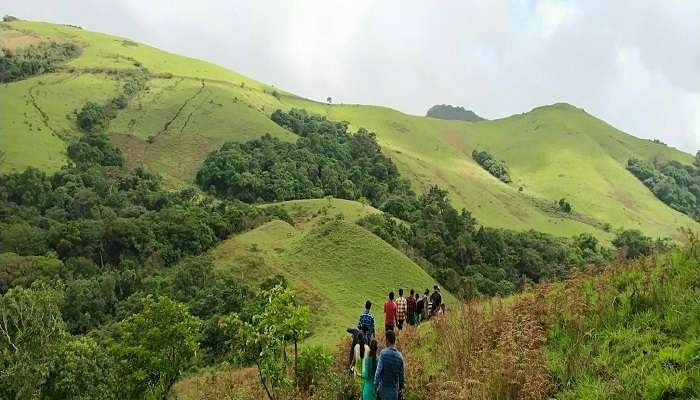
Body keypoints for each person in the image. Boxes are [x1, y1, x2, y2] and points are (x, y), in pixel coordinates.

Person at [374, 330, 404, 400]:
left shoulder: (383, 354)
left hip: (383, 392)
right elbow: (401, 378)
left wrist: (375, 386)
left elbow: (378, 372)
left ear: (387, 340)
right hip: (394, 394)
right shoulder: (400, 357)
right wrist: (400, 390)